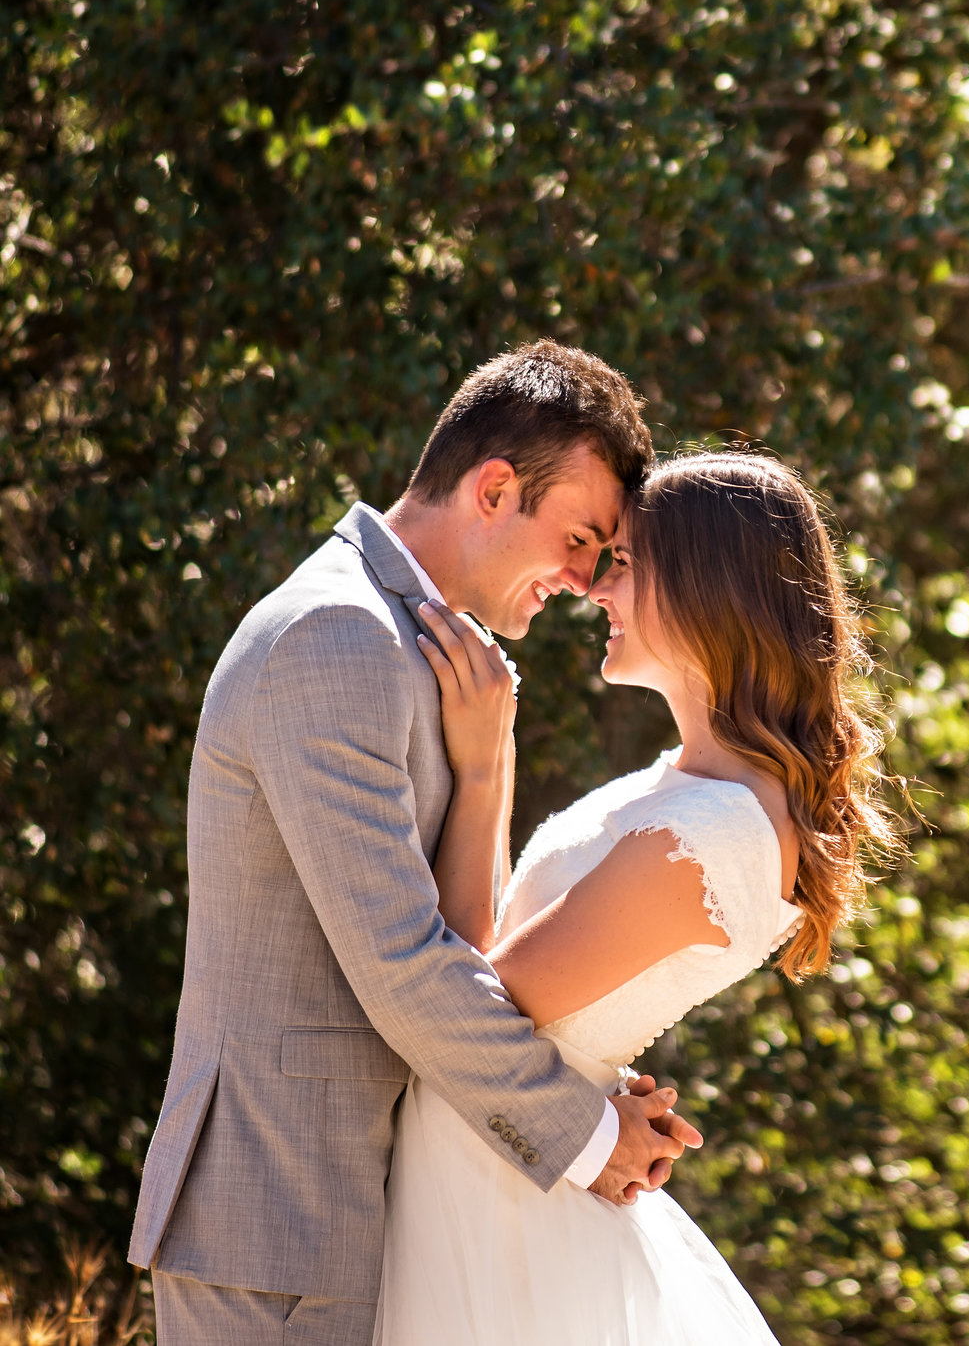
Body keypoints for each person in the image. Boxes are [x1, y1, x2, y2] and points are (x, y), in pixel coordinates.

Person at [131, 342, 697, 1345]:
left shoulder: (426, 650)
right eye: (579, 537)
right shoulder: (337, 637)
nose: (582, 578)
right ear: (492, 489)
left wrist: (487, 767)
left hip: (348, 1223)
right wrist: (587, 1131)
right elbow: (402, 963)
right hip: (276, 1231)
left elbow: (462, 948)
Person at [374, 449, 899, 1343]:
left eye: (623, 565)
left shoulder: (712, 833)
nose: (595, 590)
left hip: (505, 1196)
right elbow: (492, 962)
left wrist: (485, 763)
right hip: (494, 1163)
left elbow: (471, 1005)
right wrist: (485, 764)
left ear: (703, 590)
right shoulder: (687, 786)